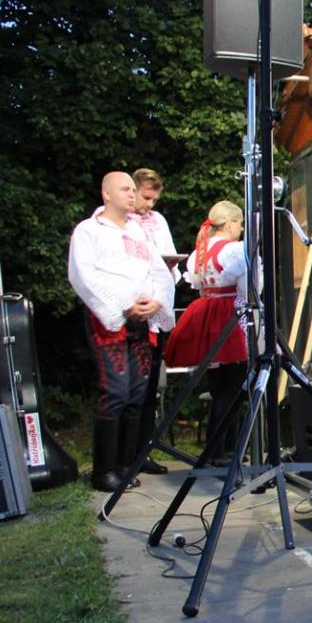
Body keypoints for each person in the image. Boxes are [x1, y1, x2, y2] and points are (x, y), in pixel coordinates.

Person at [68, 172, 175, 492]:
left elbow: (159, 272)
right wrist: (122, 305)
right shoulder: (89, 231)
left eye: (132, 189)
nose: (131, 194)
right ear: (107, 194)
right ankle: (104, 470)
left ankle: (127, 464)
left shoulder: (137, 232)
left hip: (141, 321)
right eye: (125, 189)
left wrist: (157, 301)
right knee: (115, 391)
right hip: (109, 321)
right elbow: (82, 275)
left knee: (137, 393)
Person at [164, 202, 249, 463]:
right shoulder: (234, 250)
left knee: (220, 387)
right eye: (240, 224)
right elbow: (248, 288)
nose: (241, 229)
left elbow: (198, 284)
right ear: (231, 224)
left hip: (207, 317)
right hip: (230, 316)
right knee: (233, 388)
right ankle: (219, 449)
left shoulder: (198, 252)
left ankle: (226, 447)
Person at [130, 168, 181, 474]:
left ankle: (143, 451)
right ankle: (124, 455)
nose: (149, 205)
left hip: (156, 309)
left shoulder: (158, 221)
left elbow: (168, 257)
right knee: (130, 386)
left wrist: (169, 266)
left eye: (154, 200)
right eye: (146, 197)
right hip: (132, 309)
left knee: (150, 385)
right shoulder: (122, 222)